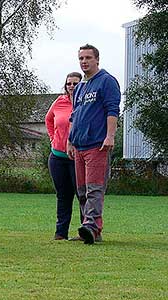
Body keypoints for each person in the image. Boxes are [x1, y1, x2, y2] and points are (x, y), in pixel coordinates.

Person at [67, 44, 121, 244]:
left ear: (97, 59)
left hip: (97, 145)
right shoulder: (80, 87)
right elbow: (75, 116)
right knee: (81, 191)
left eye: (88, 58)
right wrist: (71, 141)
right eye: (81, 58)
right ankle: (88, 229)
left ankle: (92, 227)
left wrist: (110, 136)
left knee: (94, 189)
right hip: (79, 146)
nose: (84, 61)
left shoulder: (106, 81)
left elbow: (112, 110)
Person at [45, 72, 84, 240]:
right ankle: (60, 233)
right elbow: (48, 120)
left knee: (82, 194)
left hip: (78, 157)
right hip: (57, 157)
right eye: (69, 83)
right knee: (63, 195)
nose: (72, 86)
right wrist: (53, 138)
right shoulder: (59, 102)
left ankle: (87, 230)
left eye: (75, 83)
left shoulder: (85, 103)